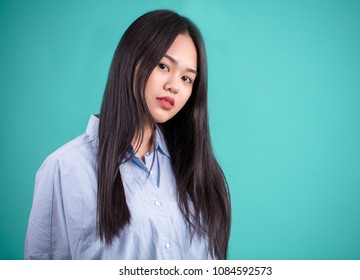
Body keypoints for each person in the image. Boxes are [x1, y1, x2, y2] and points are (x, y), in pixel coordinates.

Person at [25, 9, 231, 260]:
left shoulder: (196, 171)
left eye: (187, 78)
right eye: (163, 65)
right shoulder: (65, 168)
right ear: (131, 61)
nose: (174, 85)